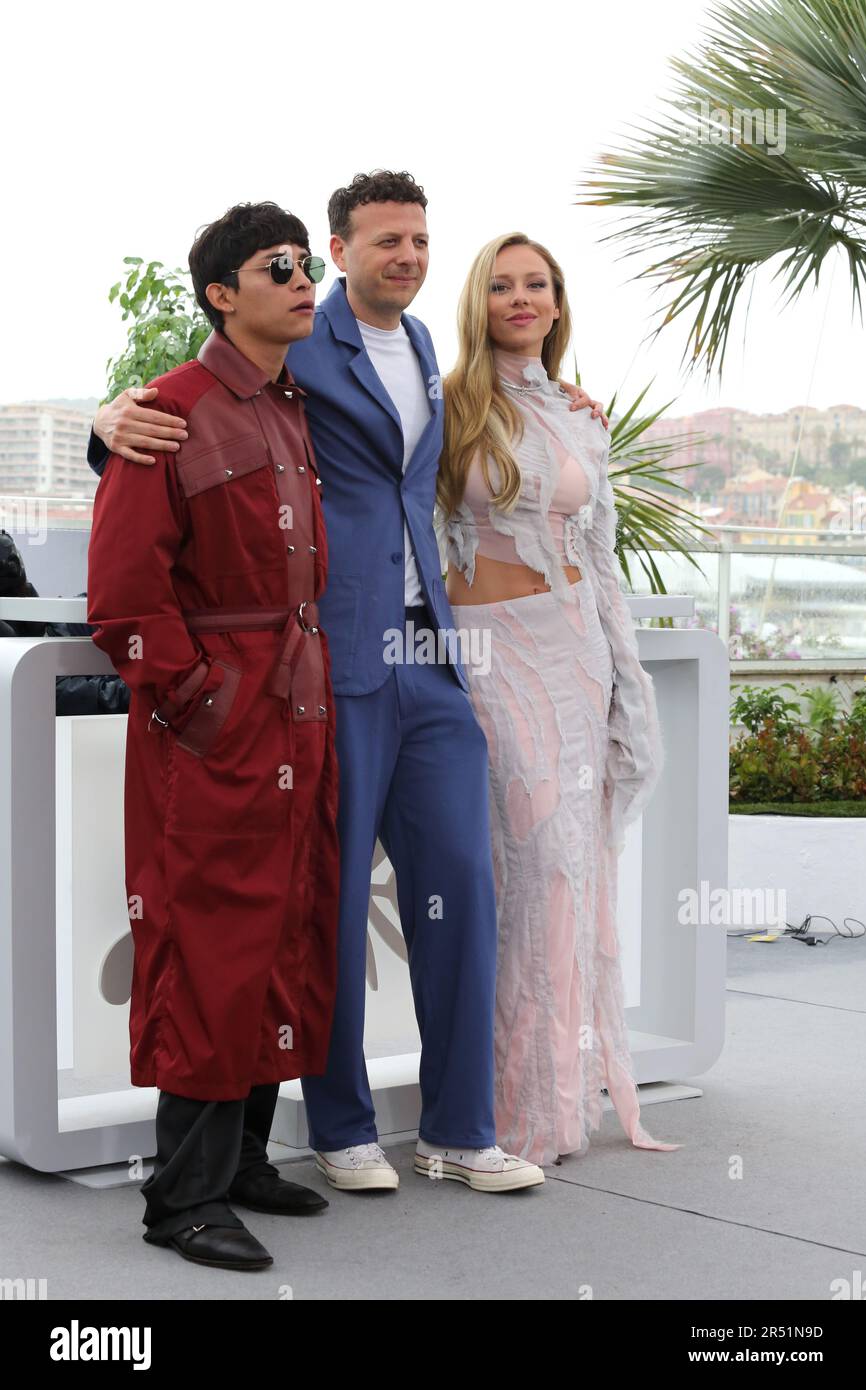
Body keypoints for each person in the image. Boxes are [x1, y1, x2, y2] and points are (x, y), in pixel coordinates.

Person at [88, 171, 604, 1197]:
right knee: (318, 902)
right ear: (339, 251)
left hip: (433, 654)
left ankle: (460, 1127)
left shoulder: (427, 353)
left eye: (419, 240)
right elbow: (179, 417)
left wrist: (557, 390)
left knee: (461, 884)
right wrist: (106, 425)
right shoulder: (292, 351)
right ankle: (341, 1125)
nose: (406, 256)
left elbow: (479, 442)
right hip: (327, 663)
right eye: (385, 242)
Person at [86, 201, 342, 1271]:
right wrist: (202, 706)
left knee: (284, 929)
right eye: (277, 266)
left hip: (299, 714)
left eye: (308, 262)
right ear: (220, 294)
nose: (302, 278)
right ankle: (178, 1199)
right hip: (219, 731)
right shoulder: (167, 413)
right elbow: (126, 596)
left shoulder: (291, 409)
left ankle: (240, 1160)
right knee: (207, 942)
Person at [437, 233, 682, 1166]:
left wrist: (627, 684)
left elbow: (604, 558)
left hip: (575, 653)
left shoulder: (584, 415)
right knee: (526, 867)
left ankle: (561, 1100)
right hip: (490, 660)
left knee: (574, 877)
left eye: (535, 283)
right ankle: (501, 1111)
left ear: (556, 298)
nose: (520, 298)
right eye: (501, 285)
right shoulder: (449, 403)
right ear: (479, 302)